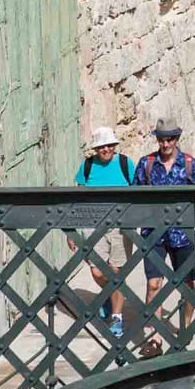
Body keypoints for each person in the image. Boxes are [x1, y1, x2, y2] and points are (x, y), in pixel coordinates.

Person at [132, 118, 195, 343]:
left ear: (177, 139)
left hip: (183, 235)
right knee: (154, 284)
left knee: (188, 284)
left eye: (170, 139)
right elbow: (134, 196)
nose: (165, 144)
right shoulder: (146, 163)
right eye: (162, 139)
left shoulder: (191, 165)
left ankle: (185, 329)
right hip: (153, 234)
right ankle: (155, 336)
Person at [74, 122, 135, 345]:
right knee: (98, 272)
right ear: (95, 149)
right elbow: (78, 200)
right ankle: (111, 296)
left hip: (121, 226)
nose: (106, 150)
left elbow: (139, 192)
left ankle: (117, 317)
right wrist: (73, 233)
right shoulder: (87, 166)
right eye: (102, 147)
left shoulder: (126, 164)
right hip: (93, 224)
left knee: (117, 271)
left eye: (109, 145)